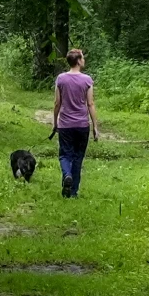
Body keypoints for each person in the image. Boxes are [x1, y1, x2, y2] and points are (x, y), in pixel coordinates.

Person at [52, 47, 99, 198]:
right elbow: (90, 104)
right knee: (78, 158)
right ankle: (73, 192)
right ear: (78, 61)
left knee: (65, 155)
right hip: (82, 125)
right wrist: (95, 126)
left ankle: (67, 175)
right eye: (82, 58)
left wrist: (55, 122)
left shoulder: (61, 79)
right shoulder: (87, 80)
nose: (84, 60)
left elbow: (57, 103)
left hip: (65, 125)